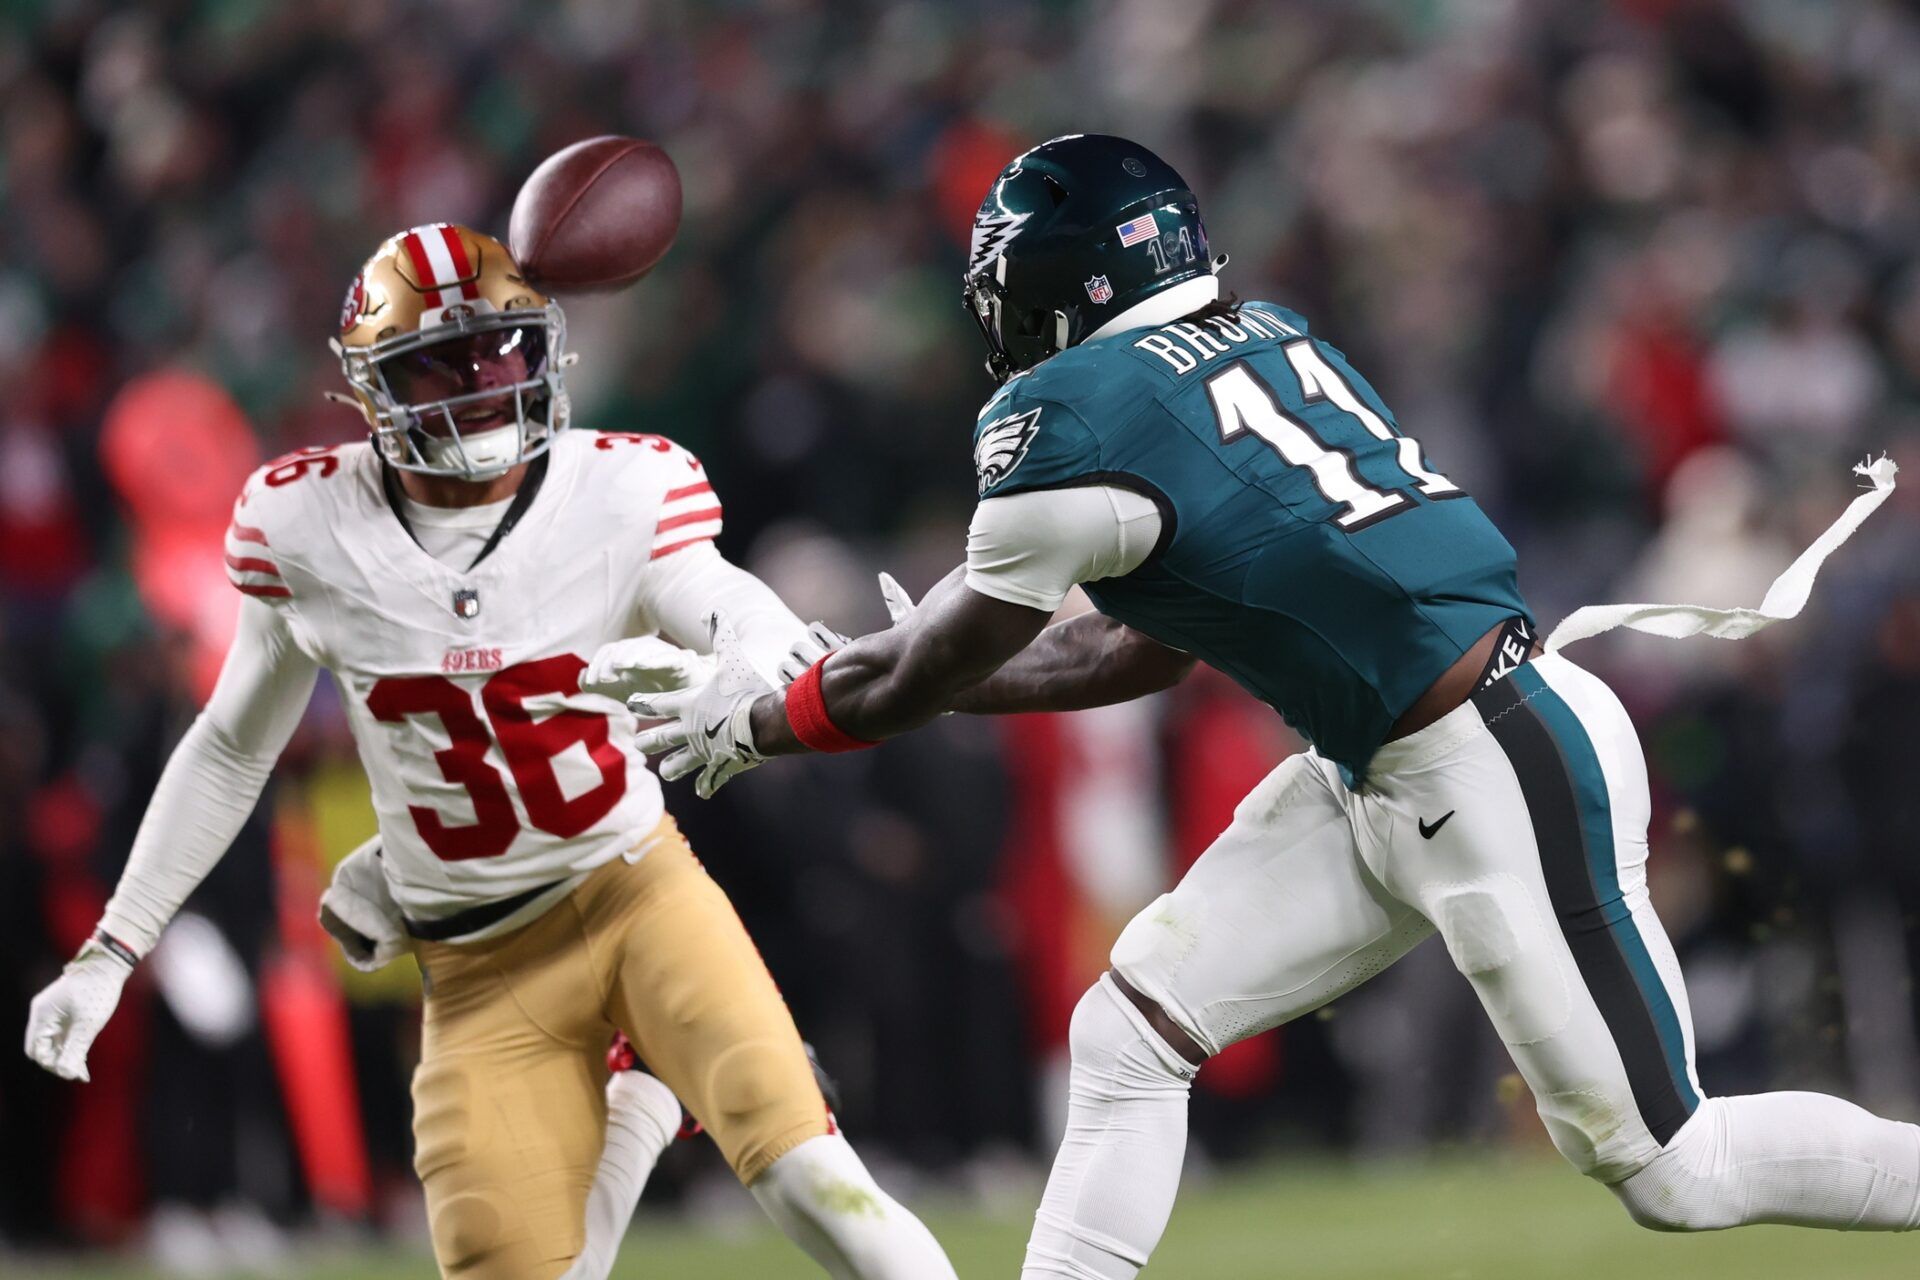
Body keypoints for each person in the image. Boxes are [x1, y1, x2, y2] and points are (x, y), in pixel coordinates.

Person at [631, 136, 1920, 1279]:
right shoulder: (1266, 334)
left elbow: (922, 673)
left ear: (1065, 286)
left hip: (1494, 760)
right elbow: (1133, 651)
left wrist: (775, 712)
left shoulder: (1066, 422)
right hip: (1387, 763)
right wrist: (865, 670)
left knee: (1673, 1165)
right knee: (1130, 1027)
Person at [24, 223, 957, 1280]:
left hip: (635, 892)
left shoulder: (616, 487)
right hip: (474, 958)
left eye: (500, 354)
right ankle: (649, 1095)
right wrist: (110, 952)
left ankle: (654, 1083)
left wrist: (763, 650)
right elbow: (232, 749)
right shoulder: (307, 522)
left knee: (820, 1189)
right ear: (373, 387)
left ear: (545, 353)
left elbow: (721, 596)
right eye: (439, 363)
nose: (477, 385)